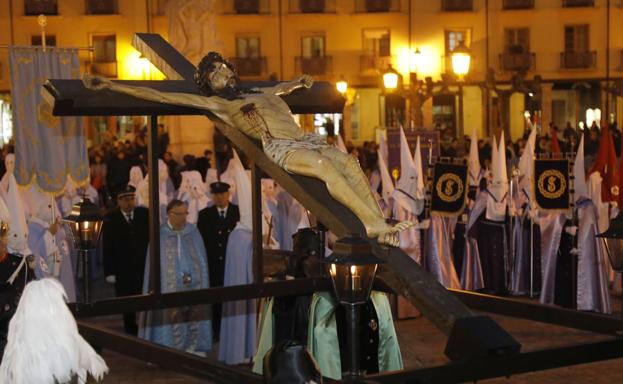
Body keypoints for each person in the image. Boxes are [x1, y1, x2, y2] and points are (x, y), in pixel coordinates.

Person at [83, 52, 411, 246]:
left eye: (223, 69)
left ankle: (380, 220)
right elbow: (166, 97)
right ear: (207, 83)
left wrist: (298, 82)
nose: (221, 75)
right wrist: (113, 85)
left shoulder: (261, 92)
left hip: (303, 137)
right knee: (326, 170)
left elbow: (281, 87)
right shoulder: (220, 105)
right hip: (280, 146)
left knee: (350, 163)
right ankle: (372, 224)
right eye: (213, 74)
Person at [138, 199, 212, 354]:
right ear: (169, 214)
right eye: (179, 214)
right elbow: (151, 269)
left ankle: (194, 347)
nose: (183, 218)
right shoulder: (160, 236)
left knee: (193, 314)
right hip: (168, 287)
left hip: (192, 286)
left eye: (185, 213)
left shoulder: (193, 231)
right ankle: (168, 350)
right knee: (169, 316)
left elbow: (202, 260)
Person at [102, 185, 149, 335]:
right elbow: (107, 247)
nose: (129, 202)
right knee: (125, 298)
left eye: (131, 198)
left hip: (142, 264)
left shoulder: (144, 214)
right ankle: (129, 326)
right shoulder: (111, 219)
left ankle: (145, 324)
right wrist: (110, 271)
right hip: (122, 268)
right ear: (119, 201)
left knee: (143, 295)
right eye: (125, 199)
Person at [197, 181, 240, 341]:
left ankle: (231, 330)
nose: (220, 197)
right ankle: (216, 330)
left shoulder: (238, 212)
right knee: (216, 296)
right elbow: (201, 241)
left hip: (233, 263)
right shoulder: (205, 215)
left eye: (222, 194)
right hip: (213, 263)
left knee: (232, 296)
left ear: (228, 194)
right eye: (216, 194)